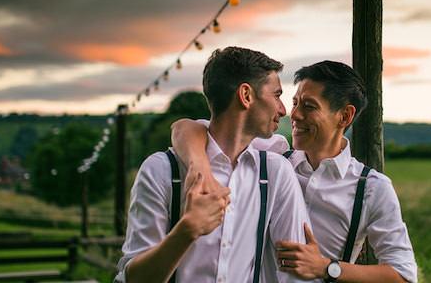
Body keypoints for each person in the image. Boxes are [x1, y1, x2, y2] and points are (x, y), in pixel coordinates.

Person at [172, 60, 417, 283]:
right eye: (295, 102)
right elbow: (187, 128)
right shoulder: (275, 156)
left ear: (345, 116)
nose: (296, 115)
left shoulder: (372, 188)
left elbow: (403, 276)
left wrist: (325, 267)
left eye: (309, 107)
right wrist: (199, 166)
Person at [116, 47, 311, 283]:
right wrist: (186, 232)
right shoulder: (161, 171)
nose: (283, 109)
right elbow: (133, 279)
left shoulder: (276, 172)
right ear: (246, 96)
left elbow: (296, 274)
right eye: (276, 95)